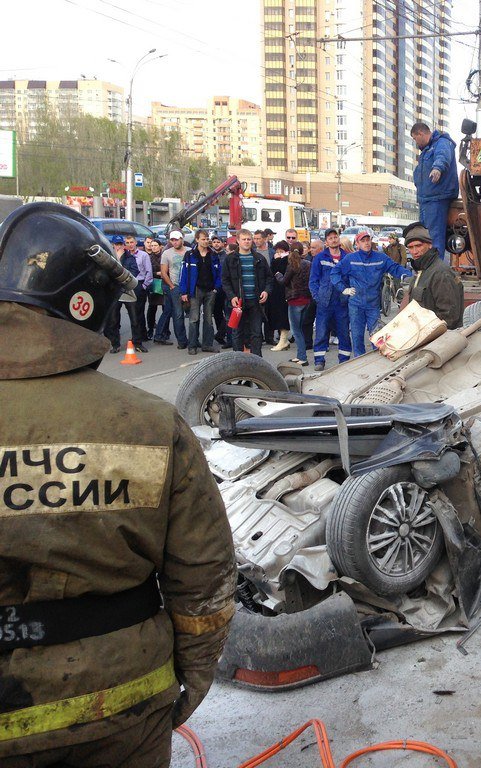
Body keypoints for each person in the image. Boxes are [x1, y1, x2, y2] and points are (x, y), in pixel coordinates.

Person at [0, 202, 236, 767]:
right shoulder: (149, 425)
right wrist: (195, 675)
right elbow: (203, 577)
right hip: (120, 708)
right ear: (86, 304)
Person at [332, 228, 412, 356]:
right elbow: (335, 273)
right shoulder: (350, 259)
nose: (366, 243)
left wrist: (407, 275)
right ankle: (360, 362)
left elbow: (394, 267)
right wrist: (343, 289)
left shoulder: (380, 258)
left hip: (373, 305)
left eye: (368, 240)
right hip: (356, 305)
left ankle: (378, 363)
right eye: (362, 241)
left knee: (377, 337)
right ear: (357, 244)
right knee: (357, 337)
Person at [411, 121, 458, 260]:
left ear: (421, 133)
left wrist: (437, 168)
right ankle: (427, 268)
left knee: (434, 236)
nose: (415, 142)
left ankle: (434, 269)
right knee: (425, 237)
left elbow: (442, 156)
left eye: (415, 138)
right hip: (427, 198)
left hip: (437, 197)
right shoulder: (427, 150)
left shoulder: (442, 142)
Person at [403, 222, 463, 329]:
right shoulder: (421, 271)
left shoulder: (440, 273)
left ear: (429, 245)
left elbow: (449, 316)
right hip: (423, 336)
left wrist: (424, 332)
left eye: (418, 246)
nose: (415, 251)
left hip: (439, 339)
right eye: (410, 247)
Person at [221, 228, 270, 356]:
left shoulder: (259, 258)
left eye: (249, 239)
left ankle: (257, 361)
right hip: (238, 302)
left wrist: (266, 291)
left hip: (255, 301)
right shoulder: (230, 259)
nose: (247, 242)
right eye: (244, 239)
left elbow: (269, 278)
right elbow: (225, 280)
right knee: (237, 333)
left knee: (256, 333)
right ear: (238, 241)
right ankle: (238, 361)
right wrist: (231, 296)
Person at [309, 228, 352, 371]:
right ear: (326, 242)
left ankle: (344, 360)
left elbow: (351, 278)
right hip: (324, 302)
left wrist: (348, 296)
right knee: (321, 332)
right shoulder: (320, 258)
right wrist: (317, 297)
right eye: (330, 238)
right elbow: (313, 280)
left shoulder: (347, 257)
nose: (334, 240)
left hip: (342, 302)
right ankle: (319, 361)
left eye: (335, 237)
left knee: (344, 332)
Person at [103, 235, 151, 354]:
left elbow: (135, 271)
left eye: (120, 244)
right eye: (117, 244)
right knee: (114, 319)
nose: (119, 246)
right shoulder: (110, 257)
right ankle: (115, 344)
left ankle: (137, 343)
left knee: (135, 318)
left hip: (129, 290)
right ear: (113, 245)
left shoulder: (130, 257)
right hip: (115, 292)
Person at [179, 229, 221, 355]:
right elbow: (184, 274)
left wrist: (216, 288)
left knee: (208, 318)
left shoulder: (213, 255)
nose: (206, 241)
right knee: (194, 318)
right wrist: (184, 292)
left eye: (207, 238)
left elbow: (219, 273)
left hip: (210, 290)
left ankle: (207, 344)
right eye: (203, 239)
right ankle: (192, 345)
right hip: (195, 290)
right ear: (197, 240)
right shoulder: (190, 255)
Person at [154, 230, 189, 349]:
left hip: (189, 287)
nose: (174, 242)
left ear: (182, 239)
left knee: (193, 314)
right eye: (172, 240)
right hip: (175, 286)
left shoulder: (190, 251)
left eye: (176, 239)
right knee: (178, 314)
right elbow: (164, 272)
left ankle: (194, 339)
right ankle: (182, 341)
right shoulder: (167, 253)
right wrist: (172, 286)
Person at [279, 243, 312, 366]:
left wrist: (278, 275)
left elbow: (284, 281)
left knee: (296, 330)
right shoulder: (308, 264)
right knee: (301, 329)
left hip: (294, 300)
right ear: (303, 251)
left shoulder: (292, 264)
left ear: (290, 252)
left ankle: (302, 357)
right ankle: (300, 355)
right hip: (306, 300)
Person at [268, 240, 292, 351]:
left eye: (281, 251)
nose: (278, 253)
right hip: (276, 291)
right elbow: (272, 271)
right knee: (277, 315)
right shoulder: (275, 259)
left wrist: (278, 260)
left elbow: (282, 272)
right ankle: (283, 340)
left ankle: (283, 340)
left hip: (285, 291)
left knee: (283, 316)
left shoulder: (288, 260)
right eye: (277, 251)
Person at [210, 234, 231, 348]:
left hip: (225, 288)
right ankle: (221, 334)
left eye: (218, 242)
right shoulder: (210, 255)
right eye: (214, 242)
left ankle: (224, 334)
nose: (216, 244)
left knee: (227, 313)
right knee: (217, 313)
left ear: (223, 244)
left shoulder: (226, 256)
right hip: (213, 289)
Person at [143, 235, 164, 340]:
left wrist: (163, 273)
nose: (153, 247)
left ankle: (164, 331)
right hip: (153, 284)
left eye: (156, 245)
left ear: (160, 246)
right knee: (152, 307)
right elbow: (148, 271)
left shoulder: (164, 256)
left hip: (164, 283)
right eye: (152, 245)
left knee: (166, 308)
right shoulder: (148, 257)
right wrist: (157, 273)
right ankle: (150, 329)